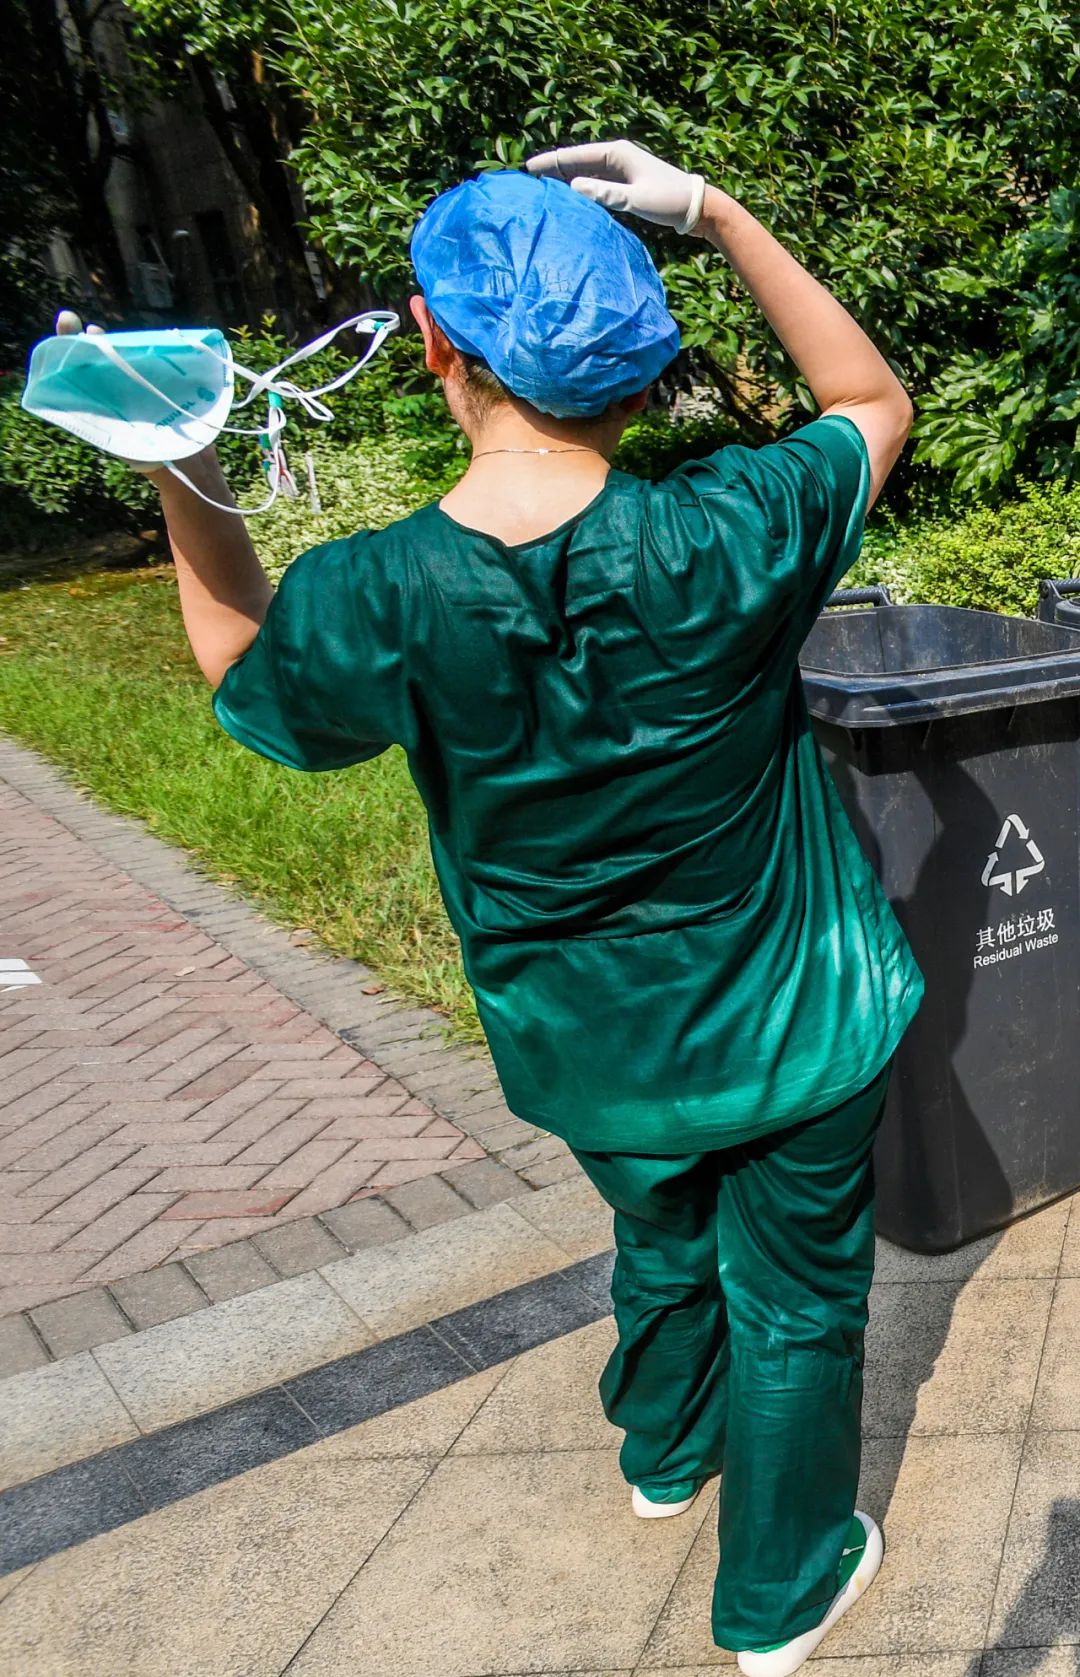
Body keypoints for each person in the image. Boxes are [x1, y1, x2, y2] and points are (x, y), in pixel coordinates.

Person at [59, 139, 922, 1675]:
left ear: (436, 340)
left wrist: (175, 458)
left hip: (584, 1038)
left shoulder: (383, 592)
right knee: (795, 1297)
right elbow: (872, 405)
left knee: (656, 1218)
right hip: (797, 1010)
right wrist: (719, 212)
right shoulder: (728, 530)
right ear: (636, 363)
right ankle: (781, 1597)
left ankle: (663, 1452)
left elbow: (244, 666)